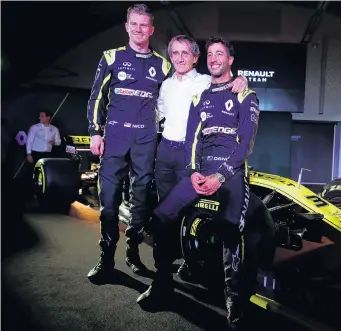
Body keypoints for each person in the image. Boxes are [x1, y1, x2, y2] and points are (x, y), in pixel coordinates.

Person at [137, 36, 260, 329]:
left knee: (232, 228)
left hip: (230, 172)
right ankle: (164, 280)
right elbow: (192, 138)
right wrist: (194, 171)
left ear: (230, 60)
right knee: (160, 217)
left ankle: (234, 300)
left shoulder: (245, 94)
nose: (215, 58)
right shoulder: (199, 95)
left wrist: (221, 175)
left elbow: (246, 143)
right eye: (211, 54)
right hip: (196, 169)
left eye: (221, 54)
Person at [86, 3, 171, 281]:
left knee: (140, 201)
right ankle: (105, 257)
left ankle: (132, 251)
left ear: (151, 29)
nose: (138, 29)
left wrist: (235, 80)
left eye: (144, 24)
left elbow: (182, 94)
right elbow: (97, 97)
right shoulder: (111, 57)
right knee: (108, 201)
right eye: (134, 23)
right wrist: (94, 131)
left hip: (146, 140)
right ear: (126, 26)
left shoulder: (163, 64)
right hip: (115, 136)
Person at [155, 34, 248, 280]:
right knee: (166, 211)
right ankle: (164, 275)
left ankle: (190, 259)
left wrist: (242, 79)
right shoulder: (165, 85)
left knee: (195, 208)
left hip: (195, 155)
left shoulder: (207, 81)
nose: (179, 58)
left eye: (185, 53)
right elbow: (160, 114)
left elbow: (229, 79)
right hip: (166, 152)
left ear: (195, 58)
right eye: (174, 53)